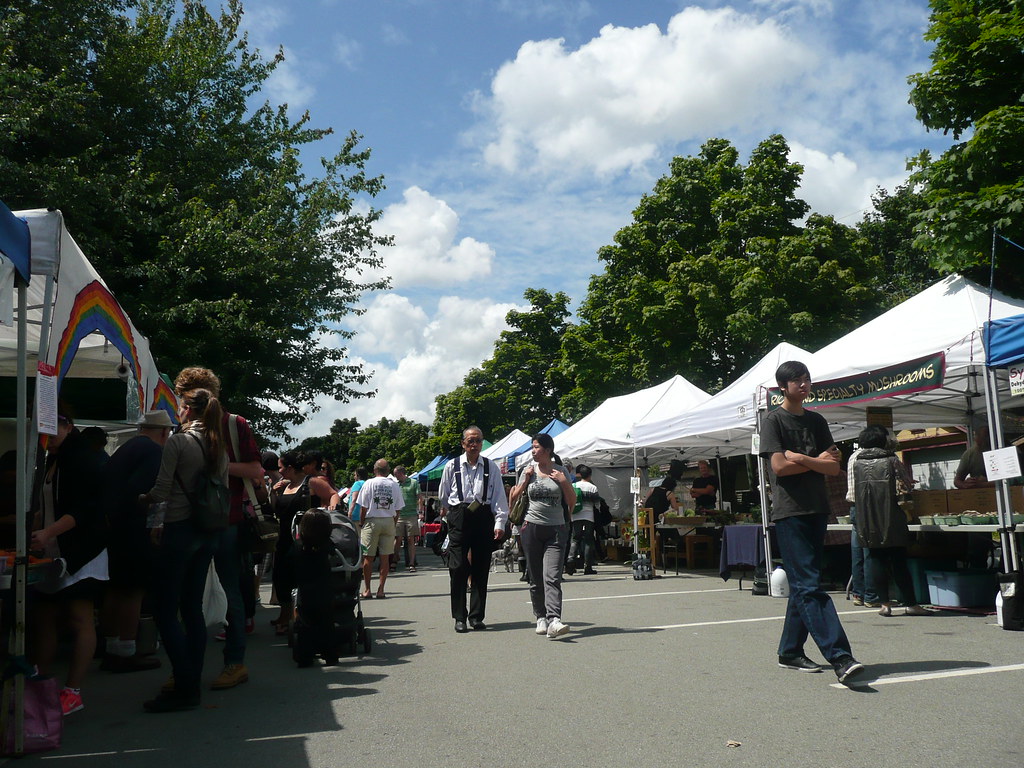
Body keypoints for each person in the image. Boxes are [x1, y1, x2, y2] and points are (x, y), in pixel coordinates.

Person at [759, 361, 864, 684]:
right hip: (790, 511)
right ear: (783, 388)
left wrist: (803, 459)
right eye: (797, 381)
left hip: (817, 509)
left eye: (806, 380)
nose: (804, 385)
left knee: (805, 584)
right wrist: (815, 463)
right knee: (809, 585)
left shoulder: (816, 420)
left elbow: (833, 468)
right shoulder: (773, 421)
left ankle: (790, 650)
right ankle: (840, 656)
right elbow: (778, 467)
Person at [174, 366, 263, 691]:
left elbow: (256, 470)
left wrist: (213, 467)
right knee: (193, 597)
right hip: (197, 519)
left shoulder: (233, 423)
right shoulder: (184, 426)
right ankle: (201, 667)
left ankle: (231, 663)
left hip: (224, 520)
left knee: (226, 593)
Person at [139, 388, 228, 712]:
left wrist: (141, 499)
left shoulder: (179, 441)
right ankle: (192, 679)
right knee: (192, 608)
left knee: (165, 609)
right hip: (208, 531)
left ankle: (185, 682)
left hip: (179, 529)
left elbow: (162, 489)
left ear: (188, 410)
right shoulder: (218, 445)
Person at [29, 412, 108, 716]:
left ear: (68, 426)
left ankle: (73, 691)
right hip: (55, 551)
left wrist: (48, 531)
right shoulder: (54, 458)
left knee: (79, 618)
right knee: (44, 615)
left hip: (82, 552)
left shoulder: (82, 458)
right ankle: (37, 682)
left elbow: (86, 509)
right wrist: (38, 528)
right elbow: (48, 504)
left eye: (51, 429)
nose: (44, 436)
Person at [99, 410, 173, 673]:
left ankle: (110, 646)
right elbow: (144, 492)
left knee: (115, 588)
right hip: (133, 529)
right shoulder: (153, 452)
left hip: (113, 528)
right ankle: (126, 651)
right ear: (164, 432)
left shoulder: (125, 447)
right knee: (133, 591)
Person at [851, 426, 927, 618]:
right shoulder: (892, 460)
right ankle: (911, 604)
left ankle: (884, 604)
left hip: (866, 517)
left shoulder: (857, 463)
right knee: (899, 561)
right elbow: (904, 486)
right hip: (891, 515)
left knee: (876, 559)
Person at [437, 426, 509, 633]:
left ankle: (476, 617)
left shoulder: (490, 467)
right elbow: (444, 495)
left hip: (483, 515)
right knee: (458, 567)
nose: (474, 444)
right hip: (459, 515)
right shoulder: (452, 466)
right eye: (470, 441)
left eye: (478, 440)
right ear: (463, 443)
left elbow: (498, 497)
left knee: (481, 568)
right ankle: (459, 617)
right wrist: (455, 512)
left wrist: (499, 522)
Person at [510, 432, 576, 639]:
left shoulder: (561, 470)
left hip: (556, 529)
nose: (533, 451)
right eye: (533, 447)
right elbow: (512, 498)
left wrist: (564, 481)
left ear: (548, 450)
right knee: (535, 576)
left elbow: (572, 501)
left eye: (537, 447)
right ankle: (540, 616)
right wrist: (525, 480)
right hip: (531, 527)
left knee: (552, 576)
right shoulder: (527, 470)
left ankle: (554, 619)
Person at [271, 451, 340, 634]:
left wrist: (332, 507)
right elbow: (275, 509)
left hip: (307, 539)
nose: (279, 471)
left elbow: (333, 494)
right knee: (281, 578)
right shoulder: (284, 485)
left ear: (290, 468)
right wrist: (273, 491)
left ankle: (298, 616)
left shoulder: (311, 482)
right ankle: (285, 613)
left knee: (303, 579)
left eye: (280, 467)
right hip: (285, 538)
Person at [357, 459, 402, 599]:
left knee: (368, 557)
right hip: (388, 520)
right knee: (385, 558)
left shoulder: (368, 483)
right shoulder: (394, 485)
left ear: (374, 469)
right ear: (388, 470)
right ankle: (381, 589)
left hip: (372, 520)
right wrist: (393, 522)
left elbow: (363, 507)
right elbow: (398, 508)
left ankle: (367, 589)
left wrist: (362, 522)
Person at [568, 463, 600, 575]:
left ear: (580, 475)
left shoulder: (574, 486)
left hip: (575, 515)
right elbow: (597, 504)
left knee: (575, 539)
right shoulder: (593, 487)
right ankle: (588, 566)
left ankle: (570, 560)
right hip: (588, 516)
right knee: (588, 540)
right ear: (589, 475)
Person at [393, 465, 420, 571]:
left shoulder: (413, 482)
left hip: (411, 514)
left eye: (396, 474)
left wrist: (420, 511)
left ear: (400, 473)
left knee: (410, 539)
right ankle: (394, 560)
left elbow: (419, 497)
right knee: (397, 539)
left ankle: (412, 563)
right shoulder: (396, 485)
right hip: (399, 515)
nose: (395, 476)